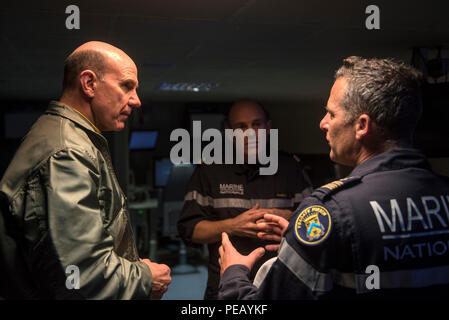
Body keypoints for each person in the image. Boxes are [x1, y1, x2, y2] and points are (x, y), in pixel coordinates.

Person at [217, 56, 449, 299]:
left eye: (331, 114)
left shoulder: (330, 211)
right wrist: (306, 242)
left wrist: (234, 273)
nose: (322, 123)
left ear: (362, 125)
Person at [0, 41, 171, 299]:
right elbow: (80, 276)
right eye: (126, 86)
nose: (136, 100)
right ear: (89, 83)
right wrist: (145, 277)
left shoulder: (66, 137)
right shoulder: (67, 152)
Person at [177, 99, 313, 299]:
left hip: (281, 287)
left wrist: (292, 218)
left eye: (256, 124)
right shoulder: (210, 171)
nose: (250, 133)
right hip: (224, 289)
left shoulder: (291, 169)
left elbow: (317, 228)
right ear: (228, 131)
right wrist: (232, 226)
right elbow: (189, 230)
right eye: (241, 127)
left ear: (268, 127)